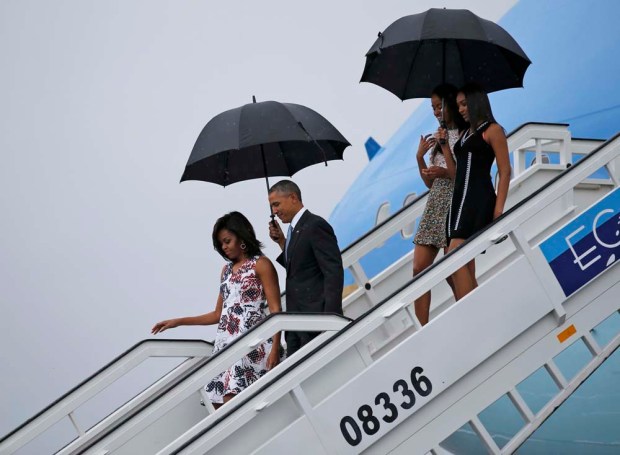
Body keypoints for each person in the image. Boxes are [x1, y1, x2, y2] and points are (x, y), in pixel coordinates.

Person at [151, 211, 282, 408]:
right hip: (225, 345)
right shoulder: (226, 270)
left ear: (242, 236)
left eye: (227, 241)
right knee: (218, 405)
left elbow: (276, 311)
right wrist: (178, 322)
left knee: (231, 402)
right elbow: (218, 314)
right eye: (221, 243)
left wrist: (275, 350)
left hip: (251, 343)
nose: (224, 247)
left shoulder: (261, 265)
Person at [440, 83, 511, 300]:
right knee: (456, 263)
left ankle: (472, 312)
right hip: (459, 200)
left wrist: (498, 210)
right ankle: (477, 306)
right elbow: (456, 173)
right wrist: (444, 146)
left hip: (478, 199)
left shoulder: (492, 130)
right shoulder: (464, 135)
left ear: (476, 102)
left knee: (454, 257)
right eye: (458, 105)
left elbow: (505, 170)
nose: (460, 109)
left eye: (464, 104)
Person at [267, 179, 344, 356]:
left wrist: (331, 318)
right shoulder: (293, 231)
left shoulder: (315, 225)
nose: (274, 211)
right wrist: (281, 243)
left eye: (276, 204)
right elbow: (300, 269)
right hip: (296, 324)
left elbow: (333, 271)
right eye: (272, 207)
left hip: (316, 319)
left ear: (293, 197)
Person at [412, 84, 467, 325]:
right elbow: (428, 183)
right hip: (435, 203)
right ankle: (423, 327)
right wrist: (420, 157)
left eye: (439, 106)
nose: (435, 111)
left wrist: (444, 166)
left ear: (450, 104)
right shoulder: (437, 137)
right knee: (419, 269)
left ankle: (465, 315)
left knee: (452, 270)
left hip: (454, 202)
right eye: (432, 107)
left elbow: (460, 176)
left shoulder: (464, 135)